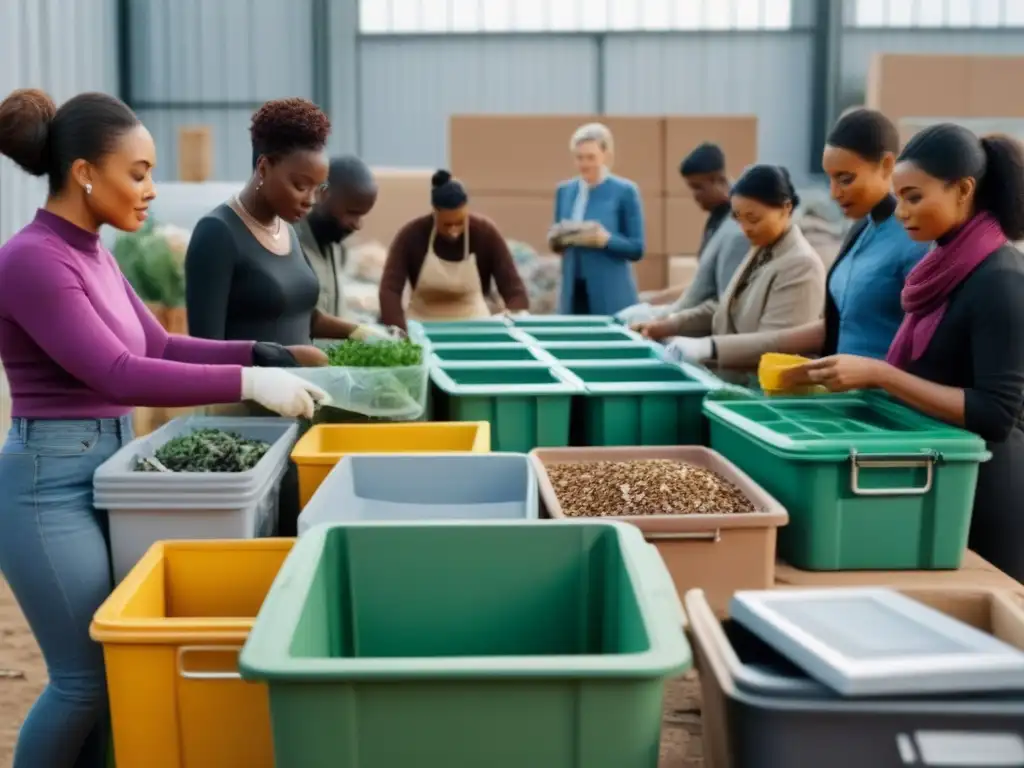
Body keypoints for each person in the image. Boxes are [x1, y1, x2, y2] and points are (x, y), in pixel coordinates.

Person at [0, 89, 326, 768]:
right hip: (46, 486)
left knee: (116, 676)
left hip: (110, 471)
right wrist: (248, 383)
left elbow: (161, 345)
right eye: (138, 173)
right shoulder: (33, 259)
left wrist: (261, 353)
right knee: (82, 681)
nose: (149, 191)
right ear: (86, 172)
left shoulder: (94, 252)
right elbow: (119, 372)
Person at [785, 125, 1024, 582]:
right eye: (899, 200)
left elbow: (996, 413)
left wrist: (881, 374)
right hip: (942, 479)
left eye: (914, 198)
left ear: (963, 190)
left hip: (988, 494)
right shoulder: (941, 265)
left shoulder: (1001, 278)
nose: (903, 213)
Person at [185, 98, 385, 365]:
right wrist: (283, 360)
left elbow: (300, 315)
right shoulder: (218, 234)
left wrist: (358, 332)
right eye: (301, 186)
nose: (311, 200)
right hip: (248, 402)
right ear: (264, 168)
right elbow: (205, 352)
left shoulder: (287, 230)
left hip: (301, 399)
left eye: (318, 189)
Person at [754, 109, 929, 361]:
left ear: (887, 165)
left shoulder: (916, 240)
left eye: (845, 179)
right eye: (831, 179)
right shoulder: (860, 229)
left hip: (888, 396)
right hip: (844, 393)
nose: (835, 193)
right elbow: (841, 325)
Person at [633, 165, 824, 374]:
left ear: (786, 208)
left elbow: (775, 346)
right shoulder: (760, 250)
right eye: (738, 218)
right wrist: (669, 325)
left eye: (753, 218)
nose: (745, 228)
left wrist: (709, 347)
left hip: (763, 395)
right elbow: (729, 309)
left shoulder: (800, 265)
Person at [616, 141, 749, 324]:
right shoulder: (717, 219)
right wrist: (658, 298)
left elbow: (725, 302)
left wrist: (667, 320)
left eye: (698, 187)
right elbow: (704, 283)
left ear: (718, 180)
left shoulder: (736, 231)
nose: (694, 196)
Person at [379, 170, 529, 329]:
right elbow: (389, 291)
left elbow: (515, 292)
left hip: (475, 327)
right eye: (446, 225)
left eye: (459, 222)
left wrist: (512, 319)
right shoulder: (411, 235)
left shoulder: (485, 233)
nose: (454, 230)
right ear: (435, 212)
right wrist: (400, 332)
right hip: (421, 326)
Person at [550, 123, 646, 315]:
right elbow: (558, 244)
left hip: (610, 296)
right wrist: (557, 238)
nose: (584, 164)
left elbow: (637, 248)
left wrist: (605, 240)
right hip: (572, 293)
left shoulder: (625, 191)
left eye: (590, 157)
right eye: (579, 158)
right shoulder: (565, 191)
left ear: (606, 156)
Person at [293, 155, 378, 316]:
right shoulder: (289, 247)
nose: (357, 225)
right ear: (322, 194)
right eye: (352, 213)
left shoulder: (334, 244)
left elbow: (337, 314)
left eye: (361, 216)